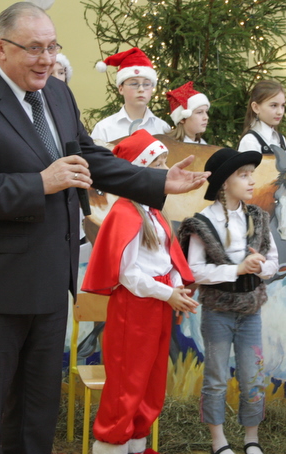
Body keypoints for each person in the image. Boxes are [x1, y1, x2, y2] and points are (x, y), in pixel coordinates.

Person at [0, 3, 208, 453]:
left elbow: (89, 158)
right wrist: (39, 183)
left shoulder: (56, 94)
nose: (46, 59)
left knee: (38, 411)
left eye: (52, 47)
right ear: (0, 48)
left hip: (47, 282)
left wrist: (158, 180)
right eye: (34, 49)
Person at [81, 130, 198, 454]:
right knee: (127, 382)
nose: (165, 169)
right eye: (157, 163)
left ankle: (136, 441)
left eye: (164, 161)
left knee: (152, 379)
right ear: (137, 170)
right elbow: (128, 273)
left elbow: (169, 259)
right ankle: (112, 442)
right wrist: (167, 293)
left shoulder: (154, 213)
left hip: (158, 305)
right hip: (135, 307)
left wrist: (176, 288)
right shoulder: (123, 214)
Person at [178, 148, 279, 454]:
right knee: (216, 377)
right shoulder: (201, 223)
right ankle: (218, 440)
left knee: (253, 375)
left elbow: (273, 261)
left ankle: (251, 438)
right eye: (243, 175)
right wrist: (236, 269)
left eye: (251, 174)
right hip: (217, 313)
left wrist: (261, 266)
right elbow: (194, 270)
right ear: (224, 183)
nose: (251, 181)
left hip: (250, 312)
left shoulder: (257, 218)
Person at [91, 48, 170, 143]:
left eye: (146, 84)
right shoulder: (104, 128)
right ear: (121, 89)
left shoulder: (162, 128)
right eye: (134, 84)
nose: (141, 89)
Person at [237, 80, 286, 154]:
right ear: (256, 107)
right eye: (273, 105)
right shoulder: (250, 140)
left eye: (282, 105)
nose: (280, 112)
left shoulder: (281, 139)